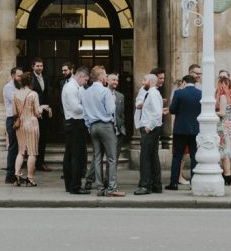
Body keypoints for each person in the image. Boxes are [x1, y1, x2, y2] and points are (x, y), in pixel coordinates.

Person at [83, 66, 124, 196]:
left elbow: (85, 114)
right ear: (101, 77)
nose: (106, 77)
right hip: (106, 125)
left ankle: (100, 188)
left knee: (97, 158)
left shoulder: (86, 92)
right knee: (112, 158)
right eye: (105, 75)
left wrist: (89, 126)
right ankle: (111, 188)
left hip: (93, 126)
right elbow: (111, 110)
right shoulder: (105, 91)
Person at [13, 72, 51, 186]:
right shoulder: (33, 94)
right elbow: (37, 112)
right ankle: (29, 177)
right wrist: (44, 107)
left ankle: (17, 175)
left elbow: (14, 112)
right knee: (32, 152)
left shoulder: (15, 94)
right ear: (30, 82)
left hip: (20, 125)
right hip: (32, 124)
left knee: (20, 151)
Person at [165, 74, 201, 190]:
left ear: (184, 82)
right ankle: (195, 183)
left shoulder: (179, 93)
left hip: (180, 129)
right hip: (195, 129)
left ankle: (174, 183)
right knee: (194, 156)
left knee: (177, 156)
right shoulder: (200, 94)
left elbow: (172, 109)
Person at [133, 73, 164, 195]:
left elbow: (157, 113)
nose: (142, 82)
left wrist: (148, 127)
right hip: (152, 128)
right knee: (152, 157)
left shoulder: (152, 93)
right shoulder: (151, 93)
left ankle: (145, 185)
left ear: (151, 81)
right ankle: (156, 185)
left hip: (150, 129)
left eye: (144, 80)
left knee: (145, 157)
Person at [62, 65, 90, 194]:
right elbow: (76, 108)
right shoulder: (71, 88)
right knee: (76, 156)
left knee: (70, 155)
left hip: (75, 123)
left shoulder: (77, 87)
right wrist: (89, 108)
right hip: (75, 123)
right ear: (80, 76)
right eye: (85, 80)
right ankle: (75, 186)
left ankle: (70, 185)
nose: (86, 83)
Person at [30, 57, 51, 172]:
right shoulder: (30, 78)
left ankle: (40, 163)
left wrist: (48, 107)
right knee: (33, 139)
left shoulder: (45, 78)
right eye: (37, 66)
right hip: (33, 112)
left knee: (42, 138)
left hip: (44, 112)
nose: (40, 68)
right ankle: (31, 163)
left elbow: (46, 94)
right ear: (33, 67)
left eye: (41, 66)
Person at [2, 66, 23, 184]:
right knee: (13, 147)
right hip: (13, 119)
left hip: (20, 119)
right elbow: (18, 102)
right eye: (19, 76)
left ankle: (17, 172)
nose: (21, 78)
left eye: (22, 76)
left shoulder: (19, 86)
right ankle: (10, 175)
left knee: (19, 148)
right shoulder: (8, 87)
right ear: (13, 76)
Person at [215, 75, 231, 186]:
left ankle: (227, 175)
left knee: (223, 151)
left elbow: (222, 113)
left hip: (222, 126)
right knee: (225, 151)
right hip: (227, 126)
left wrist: (211, 112)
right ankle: (227, 175)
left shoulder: (223, 97)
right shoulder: (230, 96)